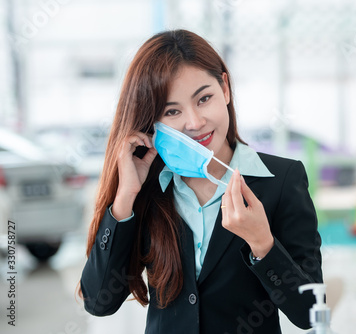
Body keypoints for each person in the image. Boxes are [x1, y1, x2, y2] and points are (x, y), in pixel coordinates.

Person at [78, 29, 323, 334]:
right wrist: (125, 196)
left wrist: (262, 243)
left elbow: (311, 313)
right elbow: (99, 302)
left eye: (204, 98)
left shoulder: (282, 180)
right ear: (153, 122)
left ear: (226, 88)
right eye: (172, 111)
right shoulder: (148, 190)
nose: (194, 123)